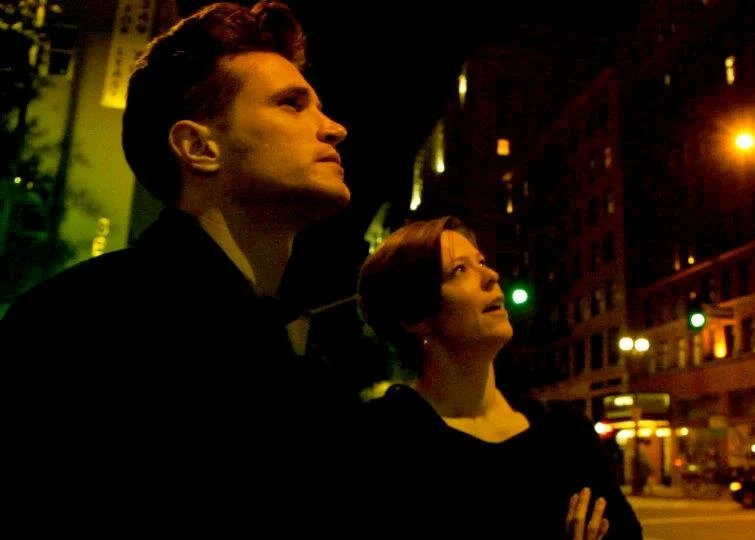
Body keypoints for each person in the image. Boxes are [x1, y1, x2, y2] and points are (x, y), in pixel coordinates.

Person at [1, 1, 357, 532]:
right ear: (198, 147)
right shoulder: (77, 327)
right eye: (291, 104)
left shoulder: (304, 363)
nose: (335, 129)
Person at [356, 216, 643, 539]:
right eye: (459, 270)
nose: (490, 276)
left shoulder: (566, 435)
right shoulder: (382, 440)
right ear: (414, 317)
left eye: (481, 262)